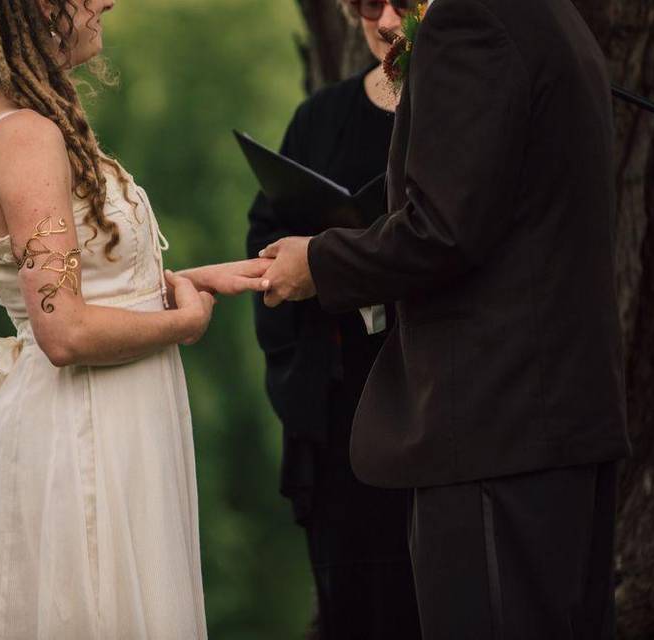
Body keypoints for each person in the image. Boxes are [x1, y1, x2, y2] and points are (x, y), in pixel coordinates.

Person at [259, 0, 632, 636]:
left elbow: (443, 231)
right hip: (557, 422)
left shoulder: (470, 20)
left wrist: (318, 264)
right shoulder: (548, 15)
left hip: (492, 428)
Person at [0, 1, 267, 637]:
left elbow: (88, 286)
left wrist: (195, 283)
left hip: (104, 420)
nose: (105, 2)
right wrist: (185, 325)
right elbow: (64, 330)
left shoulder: (20, 125)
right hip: (83, 437)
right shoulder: (24, 136)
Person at [246, 2, 421, 638]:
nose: (386, 19)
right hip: (340, 409)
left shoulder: (458, 113)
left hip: (437, 405)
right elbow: (265, 242)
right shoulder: (319, 119)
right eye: (368, 3)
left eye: (403, 1)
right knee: (353, 604)